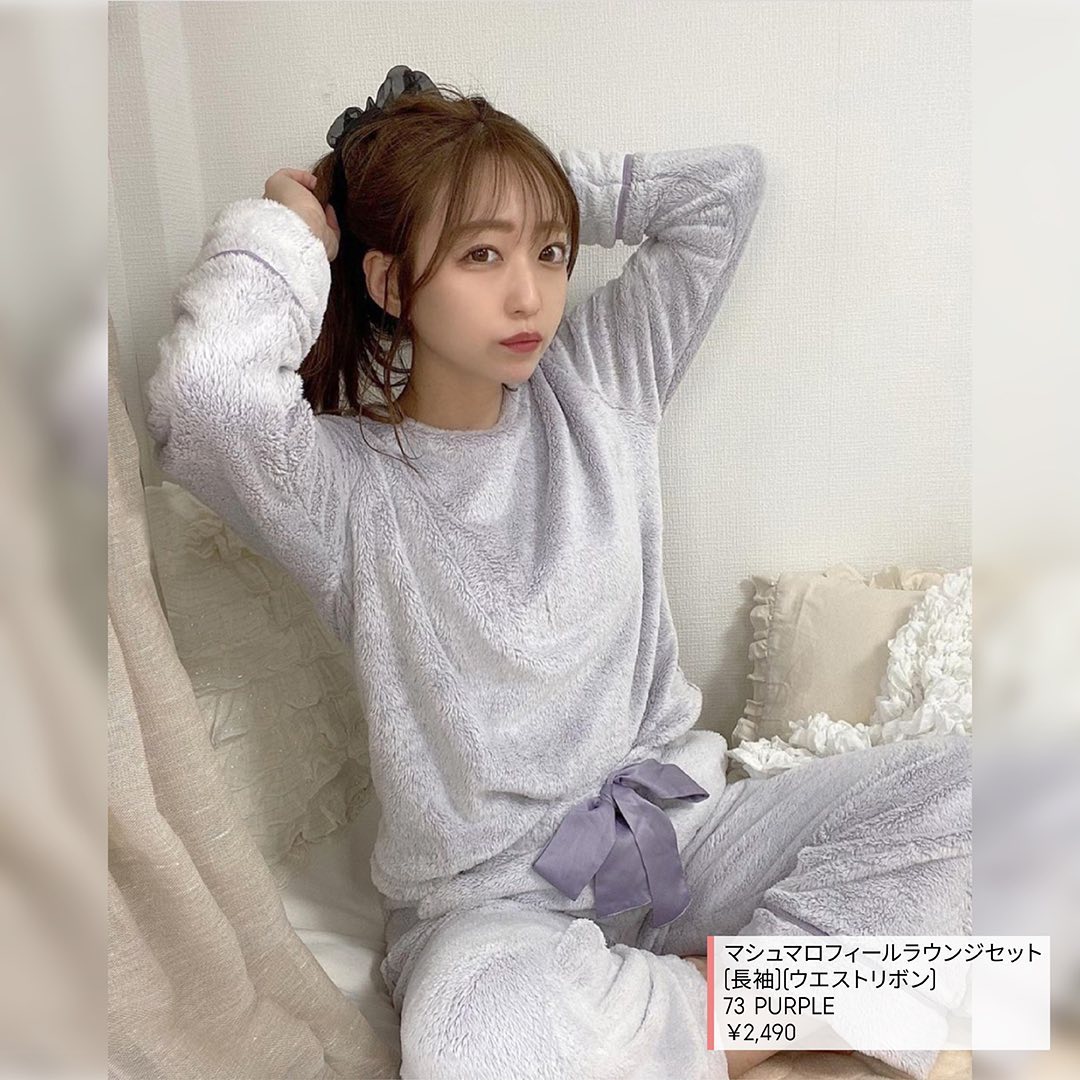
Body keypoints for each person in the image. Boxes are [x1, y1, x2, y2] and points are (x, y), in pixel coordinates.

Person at [144, 67, 971, 1080]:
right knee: (474, 1045)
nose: (529, 293)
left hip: (684, 830)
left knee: (999, 788)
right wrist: (296, 228)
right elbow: (201, 401)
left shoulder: (600, 378)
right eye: (480, 254)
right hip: (498, 908)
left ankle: (725, 1010)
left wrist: (519, 183)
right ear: (393, 283)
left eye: (548, 252)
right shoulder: (343, 487)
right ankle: (779, 1005)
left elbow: (725, 190)